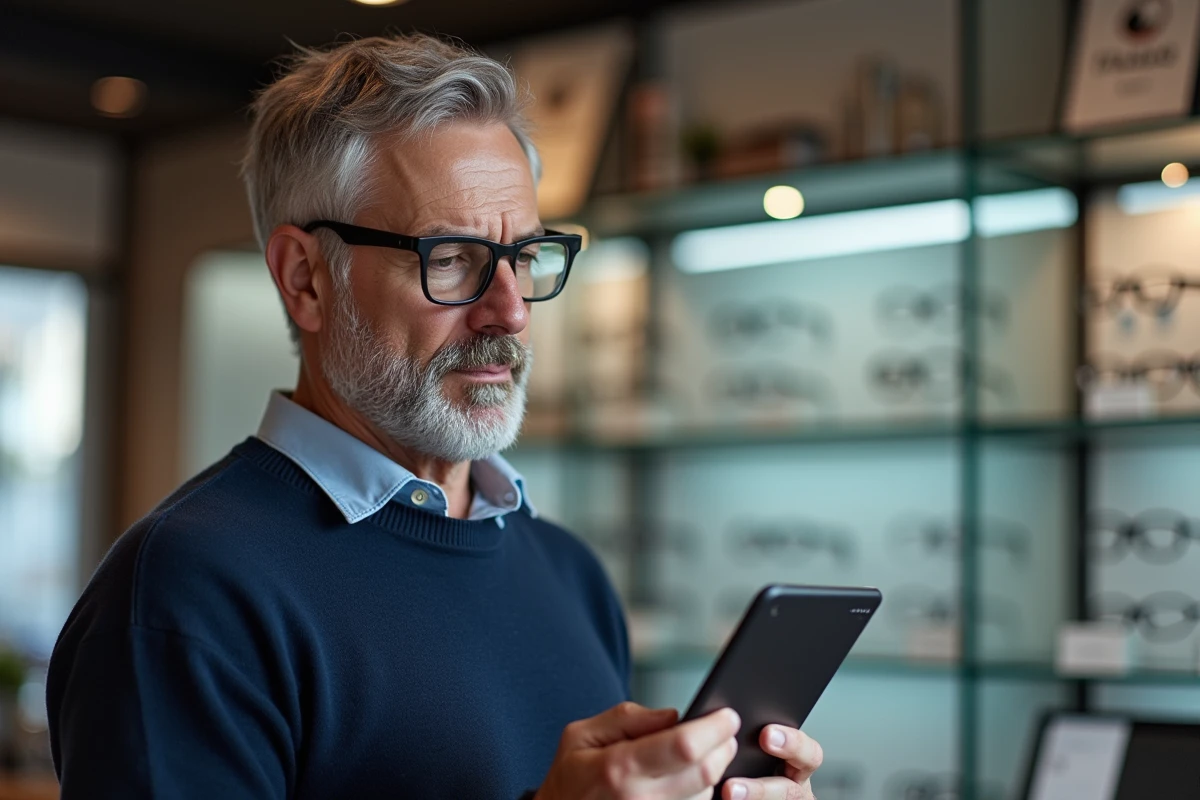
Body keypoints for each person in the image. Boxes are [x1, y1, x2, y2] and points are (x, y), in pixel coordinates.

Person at [46, 33, 823, 799]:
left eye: (523, 256)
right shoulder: (187, 592)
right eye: (451, 258)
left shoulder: (570, 573)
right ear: (306, 279)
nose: (511, 311)